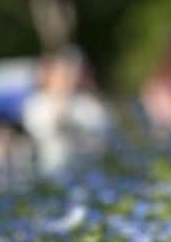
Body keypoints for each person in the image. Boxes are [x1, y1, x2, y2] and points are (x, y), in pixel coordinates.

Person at [22, 47, 112, 177]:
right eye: (61, 74)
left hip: (87, 170)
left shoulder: (87, 103)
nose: (65, 79)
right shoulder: (37, 103)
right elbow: (42, 131)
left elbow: (101, 132)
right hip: (53, 168)